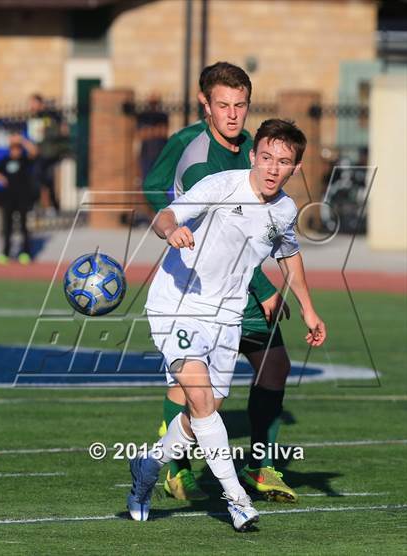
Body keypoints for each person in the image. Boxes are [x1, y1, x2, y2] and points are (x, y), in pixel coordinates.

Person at [128, 119, 326, 531]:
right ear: (253, 156)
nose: (273, 168)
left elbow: (289, 255)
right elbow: (165, 215)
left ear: (295, 168)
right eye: (267, 157)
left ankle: (148, 466)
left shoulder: (285, 209)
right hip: (178, 302)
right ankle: (237, 501)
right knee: (200, 401)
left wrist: (308, 309)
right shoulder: (221, 186)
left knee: (204, 414)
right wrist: (172, 231)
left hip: (226, 315)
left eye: (283, 162)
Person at [143, 62, 298, 503]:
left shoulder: (254, 146)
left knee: (274, 365)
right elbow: (214, 228)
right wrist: (266, 287)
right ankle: (175, 467)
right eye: (223, 105)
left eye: (241, 105)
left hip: (238, 281)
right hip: (204, 283)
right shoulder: (196, 159)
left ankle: (259, 465)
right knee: (195, 386)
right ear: (204, 103)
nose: (233, 115)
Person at [0, 134, 38, 264]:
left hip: (22, 198)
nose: (15, 151)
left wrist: (22, 140)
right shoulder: (4, 161)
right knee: (7, 227)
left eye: (18, 149)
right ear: (10, 150)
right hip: (8, 199)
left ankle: (25, 253)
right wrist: (1, 178)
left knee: (23, 226)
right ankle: (6, 253)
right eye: (13, 149)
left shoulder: (24, 160)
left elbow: (34, 151)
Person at [25, 93, 68, 213]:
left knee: (43, 177)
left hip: (49, 152)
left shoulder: (51, 115)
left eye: (33, 102)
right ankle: (45, 205)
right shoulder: (33, 117)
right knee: (42, 178)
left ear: (40, 103)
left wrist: (46, 132)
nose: (31, 105)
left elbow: (61, 131)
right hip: (37, 153)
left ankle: (48, 206)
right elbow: (32, 135)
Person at [137, 93, 169, 181]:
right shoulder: (143, 116)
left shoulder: (162, 116)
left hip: (161, 152)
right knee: (146, 179)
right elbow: (142, 134)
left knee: (160, 180)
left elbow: (163, 132)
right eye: (152, 102)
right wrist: (156, 131)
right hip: (146, 153)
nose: (153, 105)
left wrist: (150, 131)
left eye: (155, 102)